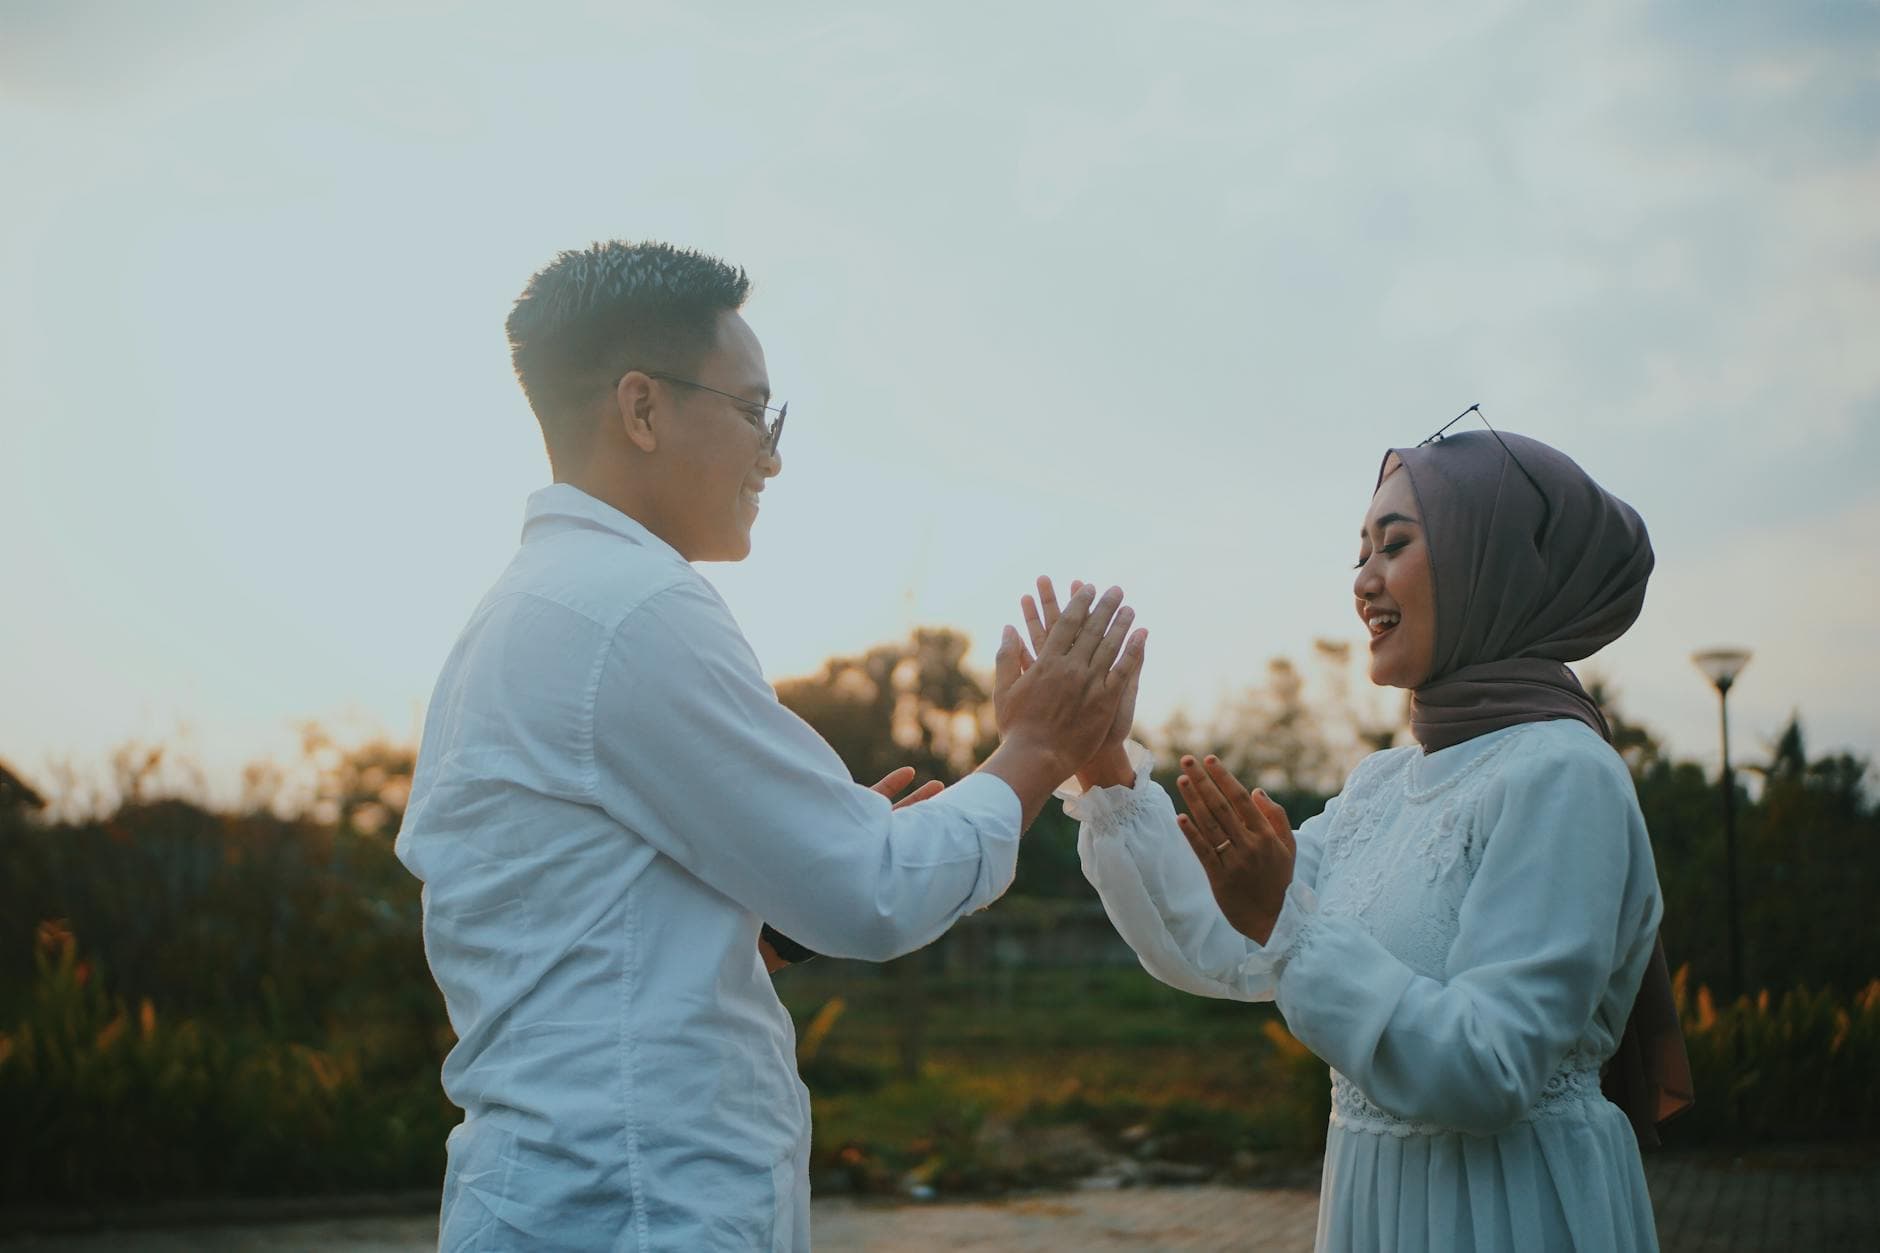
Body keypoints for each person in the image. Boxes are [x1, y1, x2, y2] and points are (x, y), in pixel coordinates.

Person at [395, 240, 1146, 1251]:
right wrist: (1034, 747)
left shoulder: (521, 614)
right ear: (642, 408)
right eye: (755, 411)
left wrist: (774, 923)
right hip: (633, 1209)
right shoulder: (634, 608)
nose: (772, 453)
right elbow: (871, 890)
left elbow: (581, 938)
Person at [1040, 424, 1691, 1251]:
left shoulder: (1562, 771)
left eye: (1396, 544)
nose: (1364, 580)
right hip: (1376, 1206)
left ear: (1491, 562)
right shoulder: (1383, 784)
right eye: (1360, 552)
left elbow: (1490, 1067)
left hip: (1508, 1209)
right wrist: (1100, 762)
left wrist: (1290, 922)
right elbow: (1223, 943)